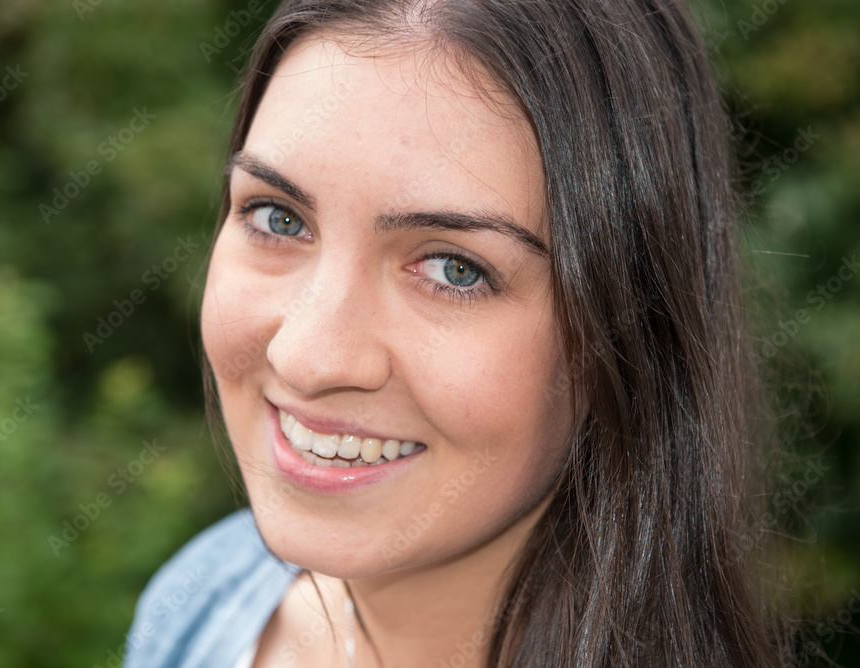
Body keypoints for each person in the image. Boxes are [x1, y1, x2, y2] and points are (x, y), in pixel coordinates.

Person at [123, 0, 791, 666]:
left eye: (454, 269)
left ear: (628, 331)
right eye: (278, 218)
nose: (307, 357)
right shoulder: (204, 606)